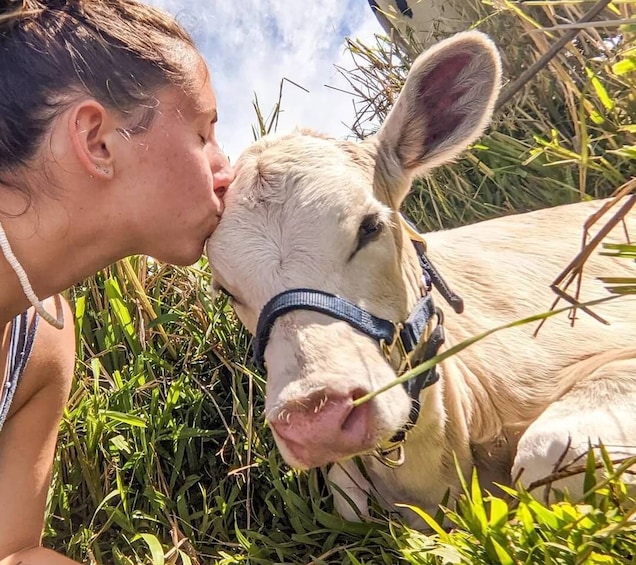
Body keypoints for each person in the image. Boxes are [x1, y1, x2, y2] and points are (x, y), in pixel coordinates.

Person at [0, 1, 234, 562]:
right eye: (204, 133)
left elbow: (12, 551)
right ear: (98, 139)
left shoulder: (43, 345)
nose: (227, 169)